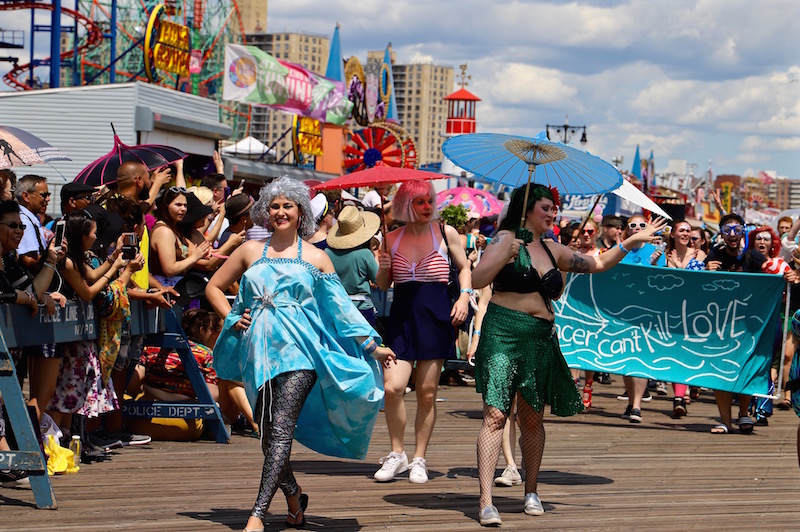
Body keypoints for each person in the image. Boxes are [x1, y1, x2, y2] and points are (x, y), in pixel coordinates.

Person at [205, 177, 395, 531]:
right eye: (274, 206)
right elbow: (213, 287)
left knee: (279, 433)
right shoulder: (249, 251)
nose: (280, 212)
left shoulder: (318, 258)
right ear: (265, 211)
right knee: (266, 433)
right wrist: (232, 317)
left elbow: (342, 311)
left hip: (302, 354)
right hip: (258, 354)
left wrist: (373, 345)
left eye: (287, 206)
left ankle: (257, 515)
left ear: (300, 212)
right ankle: (294, 498)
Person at [470, 183, 665, 526]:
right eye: (546, 207)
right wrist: (504, 254)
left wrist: (629, 243)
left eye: (553, 208)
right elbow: (477, 277)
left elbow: (597, 263)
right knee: (496, 415)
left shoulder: (552, 248)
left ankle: (531, 491)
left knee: (532, 417)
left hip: (541, 338)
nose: (552, 213)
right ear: (528, 208)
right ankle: (486, 501)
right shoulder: (504, 239)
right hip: (503, 331)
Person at [374, 179, 472, 485]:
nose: (427, 207)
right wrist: (383, 266)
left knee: (428, 393)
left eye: (429, 201)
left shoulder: (446, 233)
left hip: (436, 318)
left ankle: (419, 458)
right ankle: (396, 454)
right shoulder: (391, 237)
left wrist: (465, 297)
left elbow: (465, 266)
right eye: (419, 202)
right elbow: (382, 285)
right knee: (393, 387)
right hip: (402, 320)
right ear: (405, 204)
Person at [705, 213, 766, 433]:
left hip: (747, 323)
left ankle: (743, 414)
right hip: (719, 322)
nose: (732, 235)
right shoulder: (713, 254)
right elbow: (700, 286)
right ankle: (725, 420)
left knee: (745, 368)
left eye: (737, 230)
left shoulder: (754, 258)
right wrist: (706, 271)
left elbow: (772, 278)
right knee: (719, 368)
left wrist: (786, 277)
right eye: (727, 230)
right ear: (720, 233)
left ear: (743, 232)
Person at [325, 205, 381, 325]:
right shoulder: (365, 254)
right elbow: (378, 279)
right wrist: (375, 255)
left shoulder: (327, 253)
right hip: (361, 308)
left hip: (336, 307)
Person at [150, 187, 211, 288]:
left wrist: (202, 253)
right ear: (166, 207)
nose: (183, 209)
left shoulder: (174, 230)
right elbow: (169, 269)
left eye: (185, 205)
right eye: (178, 205)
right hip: (165, 290)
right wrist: (194, 257)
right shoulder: (164, 231)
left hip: (178, 288)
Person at [14, 174, 50, 271]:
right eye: (44, 195)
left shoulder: (31, 218)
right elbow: (29, 260)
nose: (48, 199)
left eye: (48, 195)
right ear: (26, 196)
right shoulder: (24, 221)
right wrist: (52, 259)